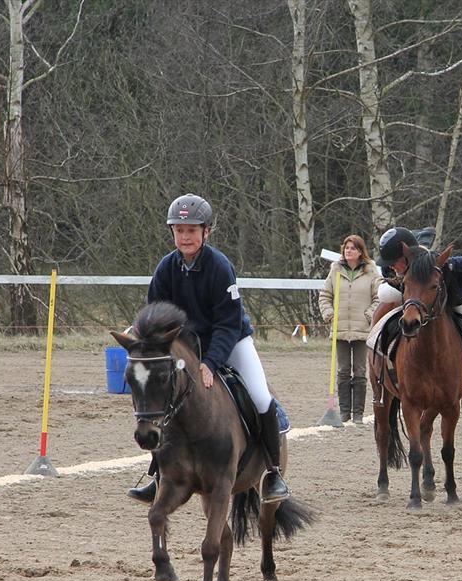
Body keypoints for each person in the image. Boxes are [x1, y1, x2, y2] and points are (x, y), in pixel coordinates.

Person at [127, 193, 290, 505]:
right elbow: (154, 317)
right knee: (163, 399)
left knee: (260, 396)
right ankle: (158, 473)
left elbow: (228, 323)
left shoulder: (220, 266)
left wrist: (211, 363)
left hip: (231, 341)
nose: (185, 237)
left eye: (192, 230)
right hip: (187, 346)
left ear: (206, 231)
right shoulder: (166, 268)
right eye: (179, 230)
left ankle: (273, 473)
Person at [373, 226, 462, 406]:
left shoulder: (439, 265)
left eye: (394, 262)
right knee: (383, 293)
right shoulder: (390, 268)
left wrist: (447, 267)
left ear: (408, 258)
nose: (390, 266)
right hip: (420, 300)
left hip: (455, 300)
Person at [319, 234, 381, 423]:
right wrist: (329, 314)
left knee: (360, 371)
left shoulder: (371, 271)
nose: (348, 251)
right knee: (343, 371)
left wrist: (369, 315)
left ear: (360, 252)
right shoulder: (335, 269)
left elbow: (379, 297)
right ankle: (344, 413)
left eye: (353, 248)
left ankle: (358, 415)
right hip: (340, 329)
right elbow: (325, 295)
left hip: (362, 330)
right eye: (346, 248)